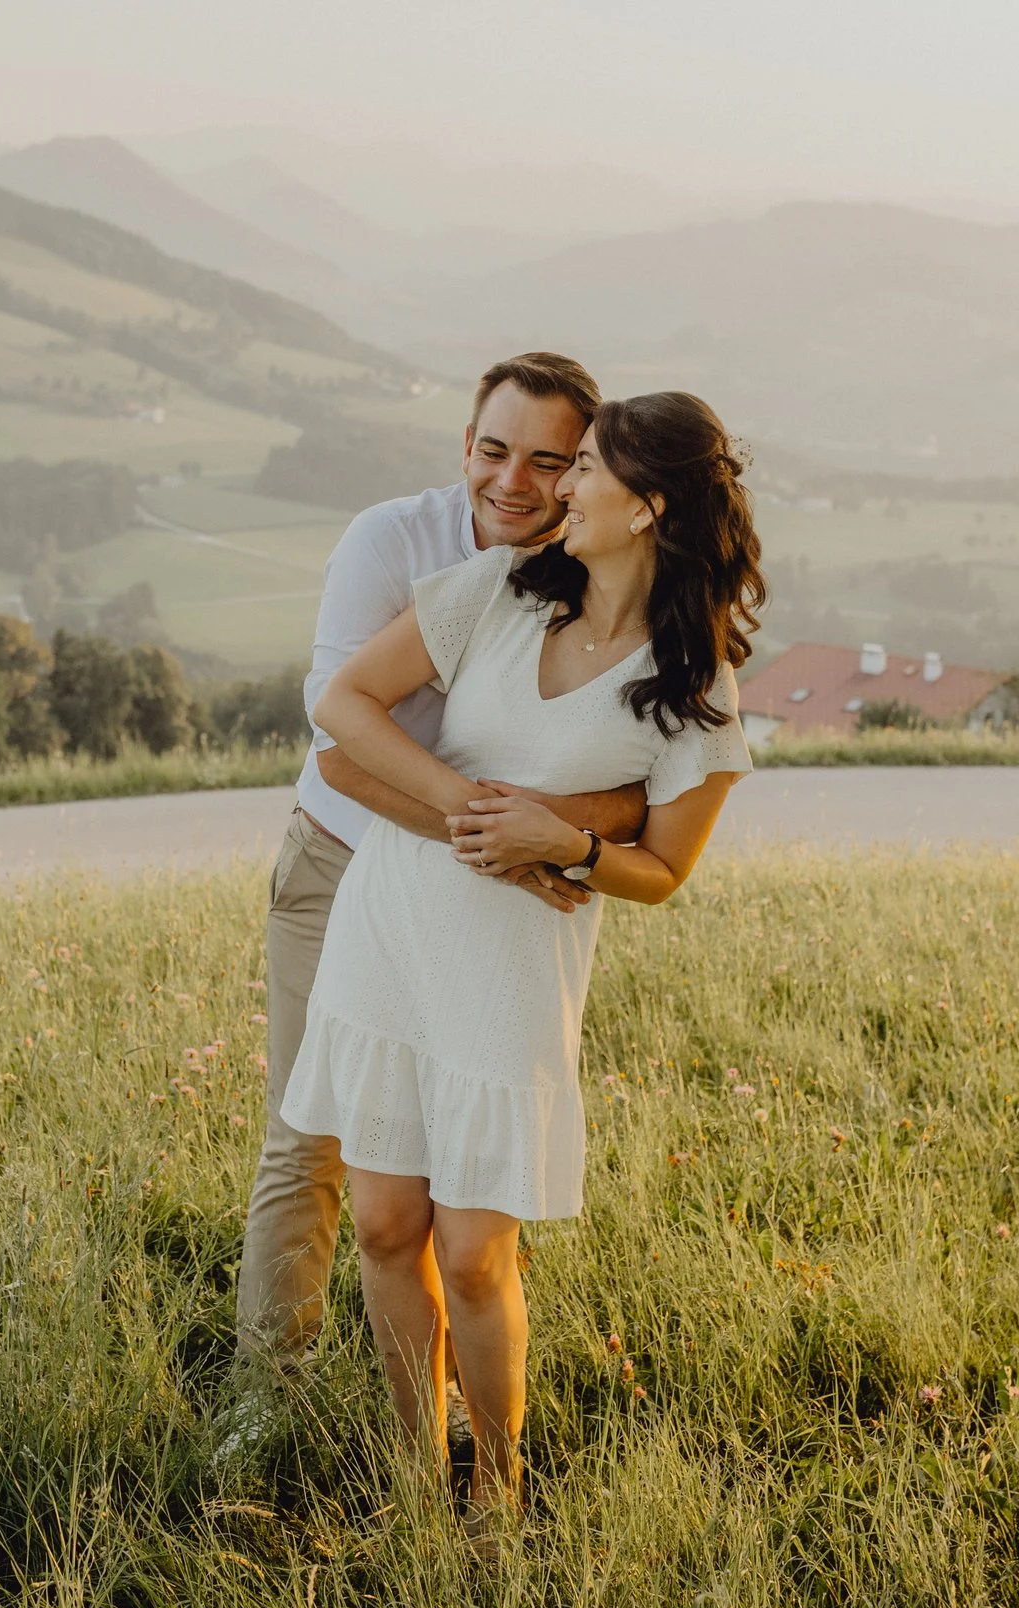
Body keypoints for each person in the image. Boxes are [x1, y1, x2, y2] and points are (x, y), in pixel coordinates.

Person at [280, 391, 763, 1511]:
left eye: (583, 468)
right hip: (392, 924)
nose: (555, 486)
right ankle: (414, 1468)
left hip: (507, 972)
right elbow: (341, 700)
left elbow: (664, 869)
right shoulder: (497, 590)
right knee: (385, 1223)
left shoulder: (695, 687)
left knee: (472, 1254)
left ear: (645, 507)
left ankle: (495, 1490)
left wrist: (570, 841)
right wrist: (473, 811)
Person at [228, 354, 652, 1430]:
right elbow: (338, 739)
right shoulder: (393, 542)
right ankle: (266, 1403)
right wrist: (488, 830)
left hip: (486, 906)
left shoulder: (584, 573)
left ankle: (453, 1400)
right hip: (346, 863)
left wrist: (546, 838)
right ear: (464, 447)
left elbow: (629, 790)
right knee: (312, 1135)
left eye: (550, 460)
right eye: (493, 449)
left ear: (583, 475)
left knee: (460, 1163)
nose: (513, 479)